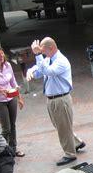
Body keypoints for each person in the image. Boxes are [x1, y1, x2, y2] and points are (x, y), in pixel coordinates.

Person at [26, 37, 86, 166]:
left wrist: (37, 56)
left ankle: (70, 153)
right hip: (52, 99)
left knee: (63, 127)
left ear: (51, 48)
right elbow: (39, 70)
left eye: (43, 51)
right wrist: (30, 71)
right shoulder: (48, 59)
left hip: (60, 98)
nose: (42, 54)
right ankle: (76, 142)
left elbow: (47, 71)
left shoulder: (61, 61)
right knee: (60, 125)